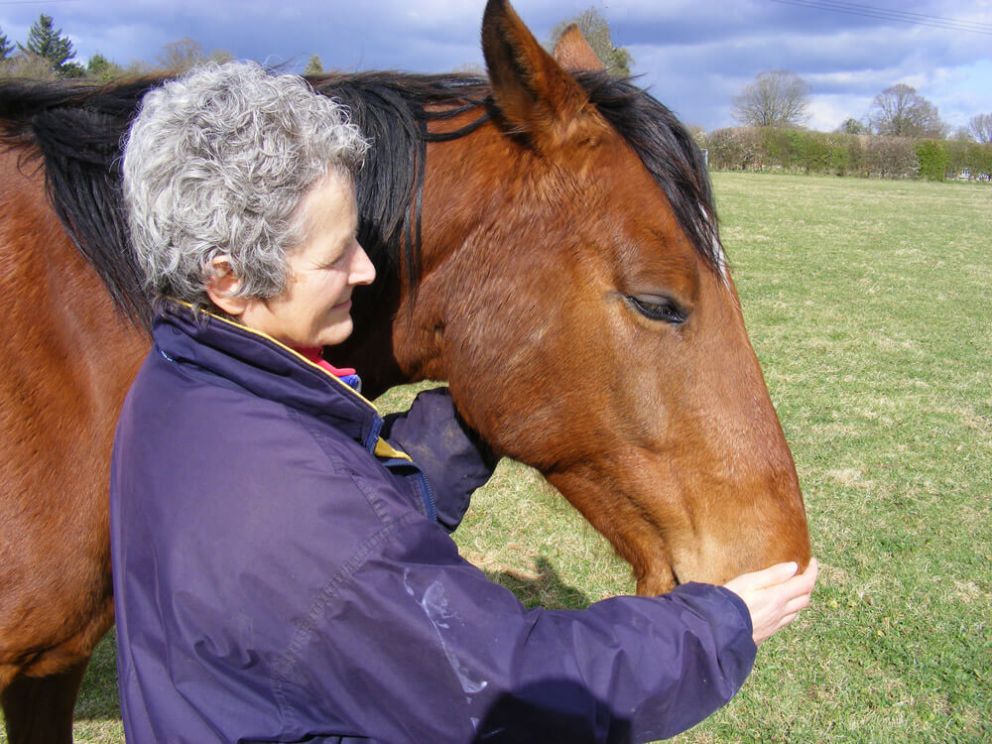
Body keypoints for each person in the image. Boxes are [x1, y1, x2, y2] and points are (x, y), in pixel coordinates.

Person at [111, 61, 817, 744]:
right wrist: (711, 630)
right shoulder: (296, 517)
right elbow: (504, 689)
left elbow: (336, 537)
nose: (365, 267)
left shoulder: (176, 383)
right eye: (335, 257)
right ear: (229, 279)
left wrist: (462, 431)